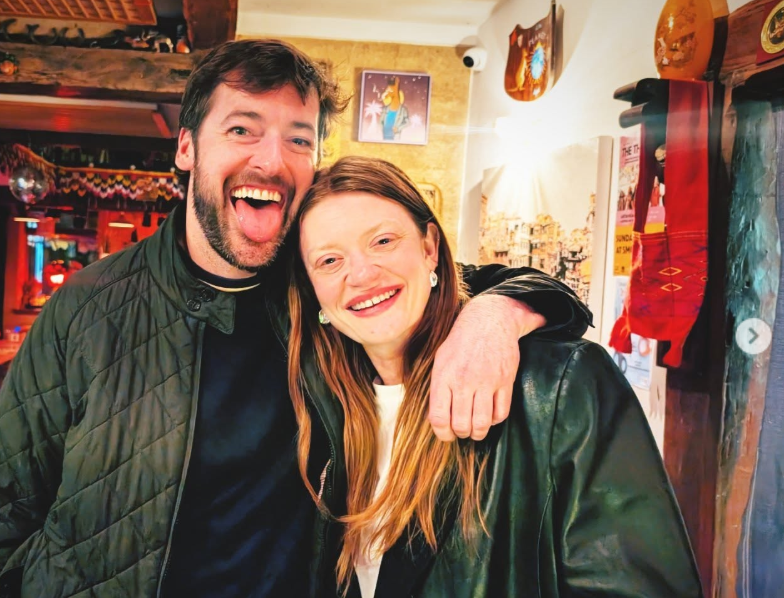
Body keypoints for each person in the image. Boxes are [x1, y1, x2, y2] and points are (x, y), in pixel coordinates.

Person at [0, 40, 591, 598]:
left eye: (298, 138)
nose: (272, 159)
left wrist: (496, 314)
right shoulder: (87, 304)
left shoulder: (327, 293)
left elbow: (444, 283)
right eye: (243, 129)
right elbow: (1, 512)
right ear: (186, 147)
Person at [287, 156, 703, 598]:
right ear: (311, 285)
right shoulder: (327, 406)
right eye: (330, 260)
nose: (362, 274)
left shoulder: (558, 384)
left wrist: (498, 309)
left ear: (429, 247)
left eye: (383, 241)